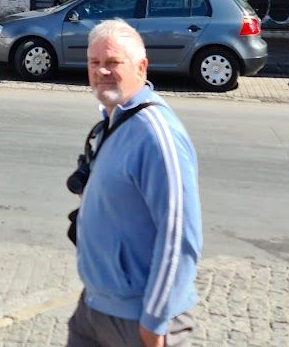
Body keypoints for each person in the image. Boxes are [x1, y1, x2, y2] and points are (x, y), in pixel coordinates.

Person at [68, 20, 200, 347]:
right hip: (95, 305)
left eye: (112, 63)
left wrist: (154, 323)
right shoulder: (114, 121)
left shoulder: (155, 133)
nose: (101, 72)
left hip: (139, 317)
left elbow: (179, 235)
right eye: (94, 63)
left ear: (141, 67)